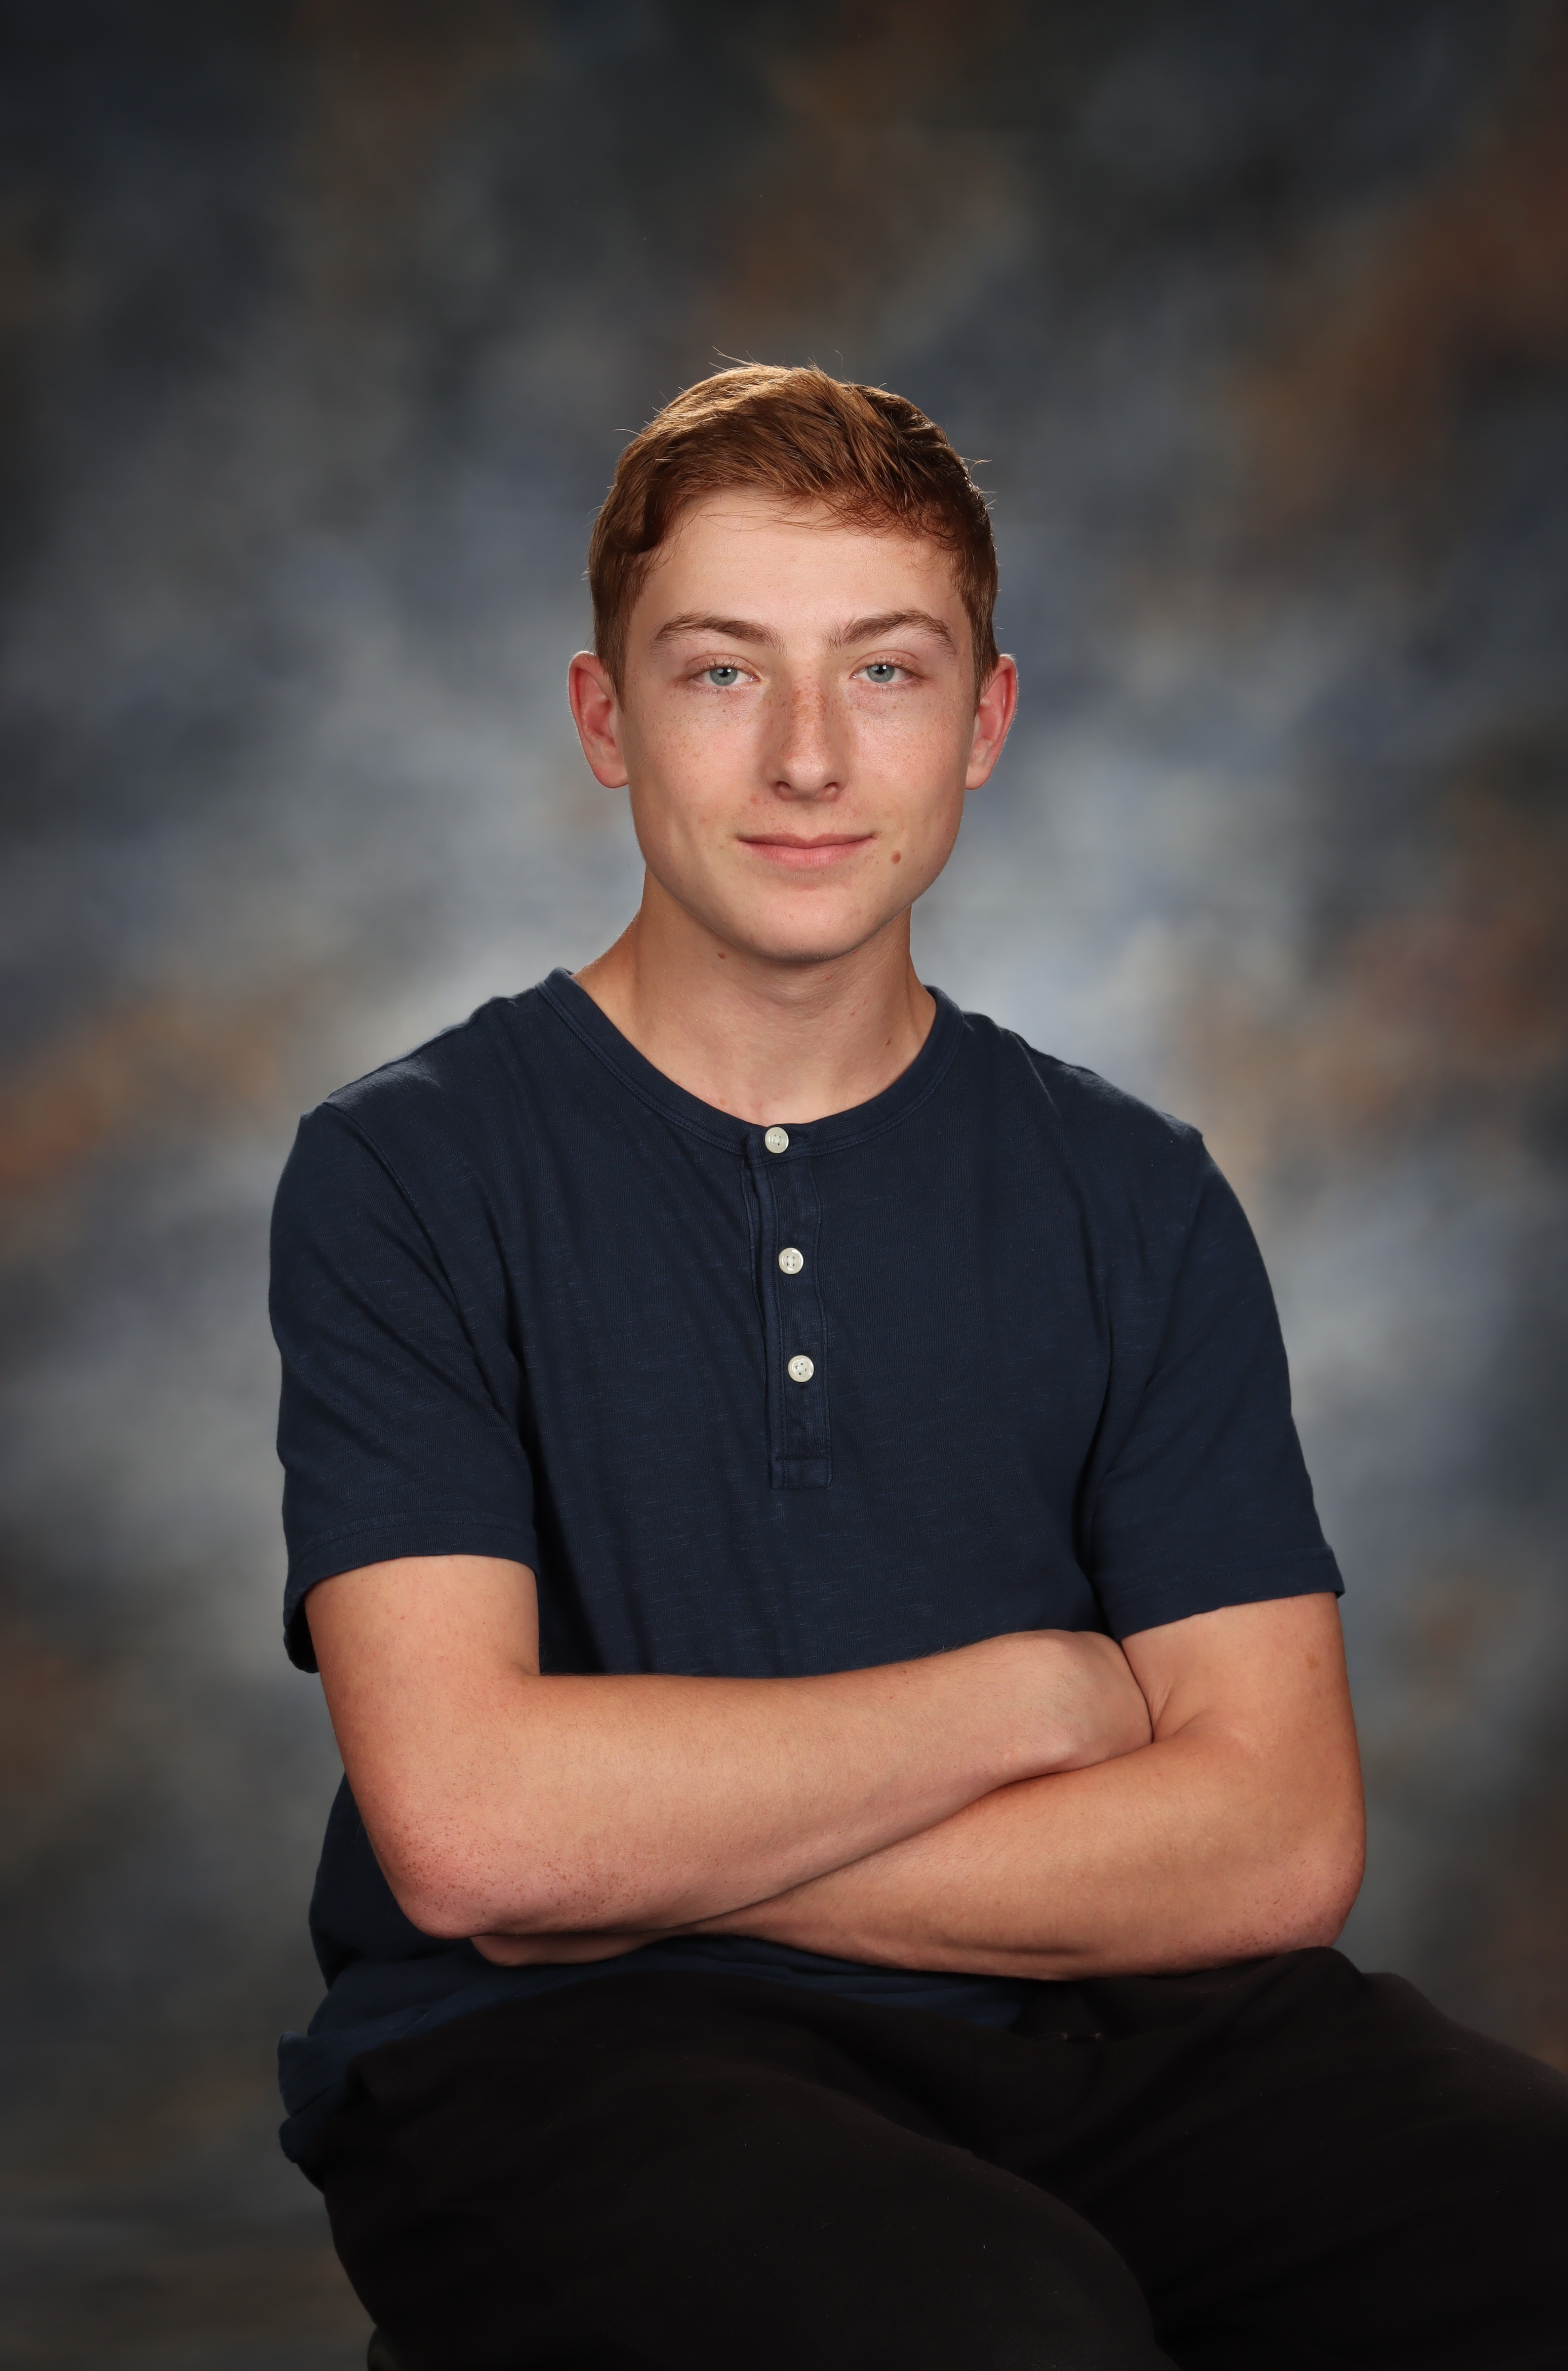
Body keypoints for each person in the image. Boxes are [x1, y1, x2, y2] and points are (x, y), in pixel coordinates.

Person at [269, 365, 1568, 2371]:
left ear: (984, 721)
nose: (806, 757)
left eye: (883, 672)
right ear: (605, 720)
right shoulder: (408, 1170)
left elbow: (1276, 1838)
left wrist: (637, 1851)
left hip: (1095, 2029)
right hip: (559, 2050)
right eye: (721, 672)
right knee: (991, 2327)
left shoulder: (1134, 1191)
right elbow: (477, 1842)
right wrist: (1031, 1699)